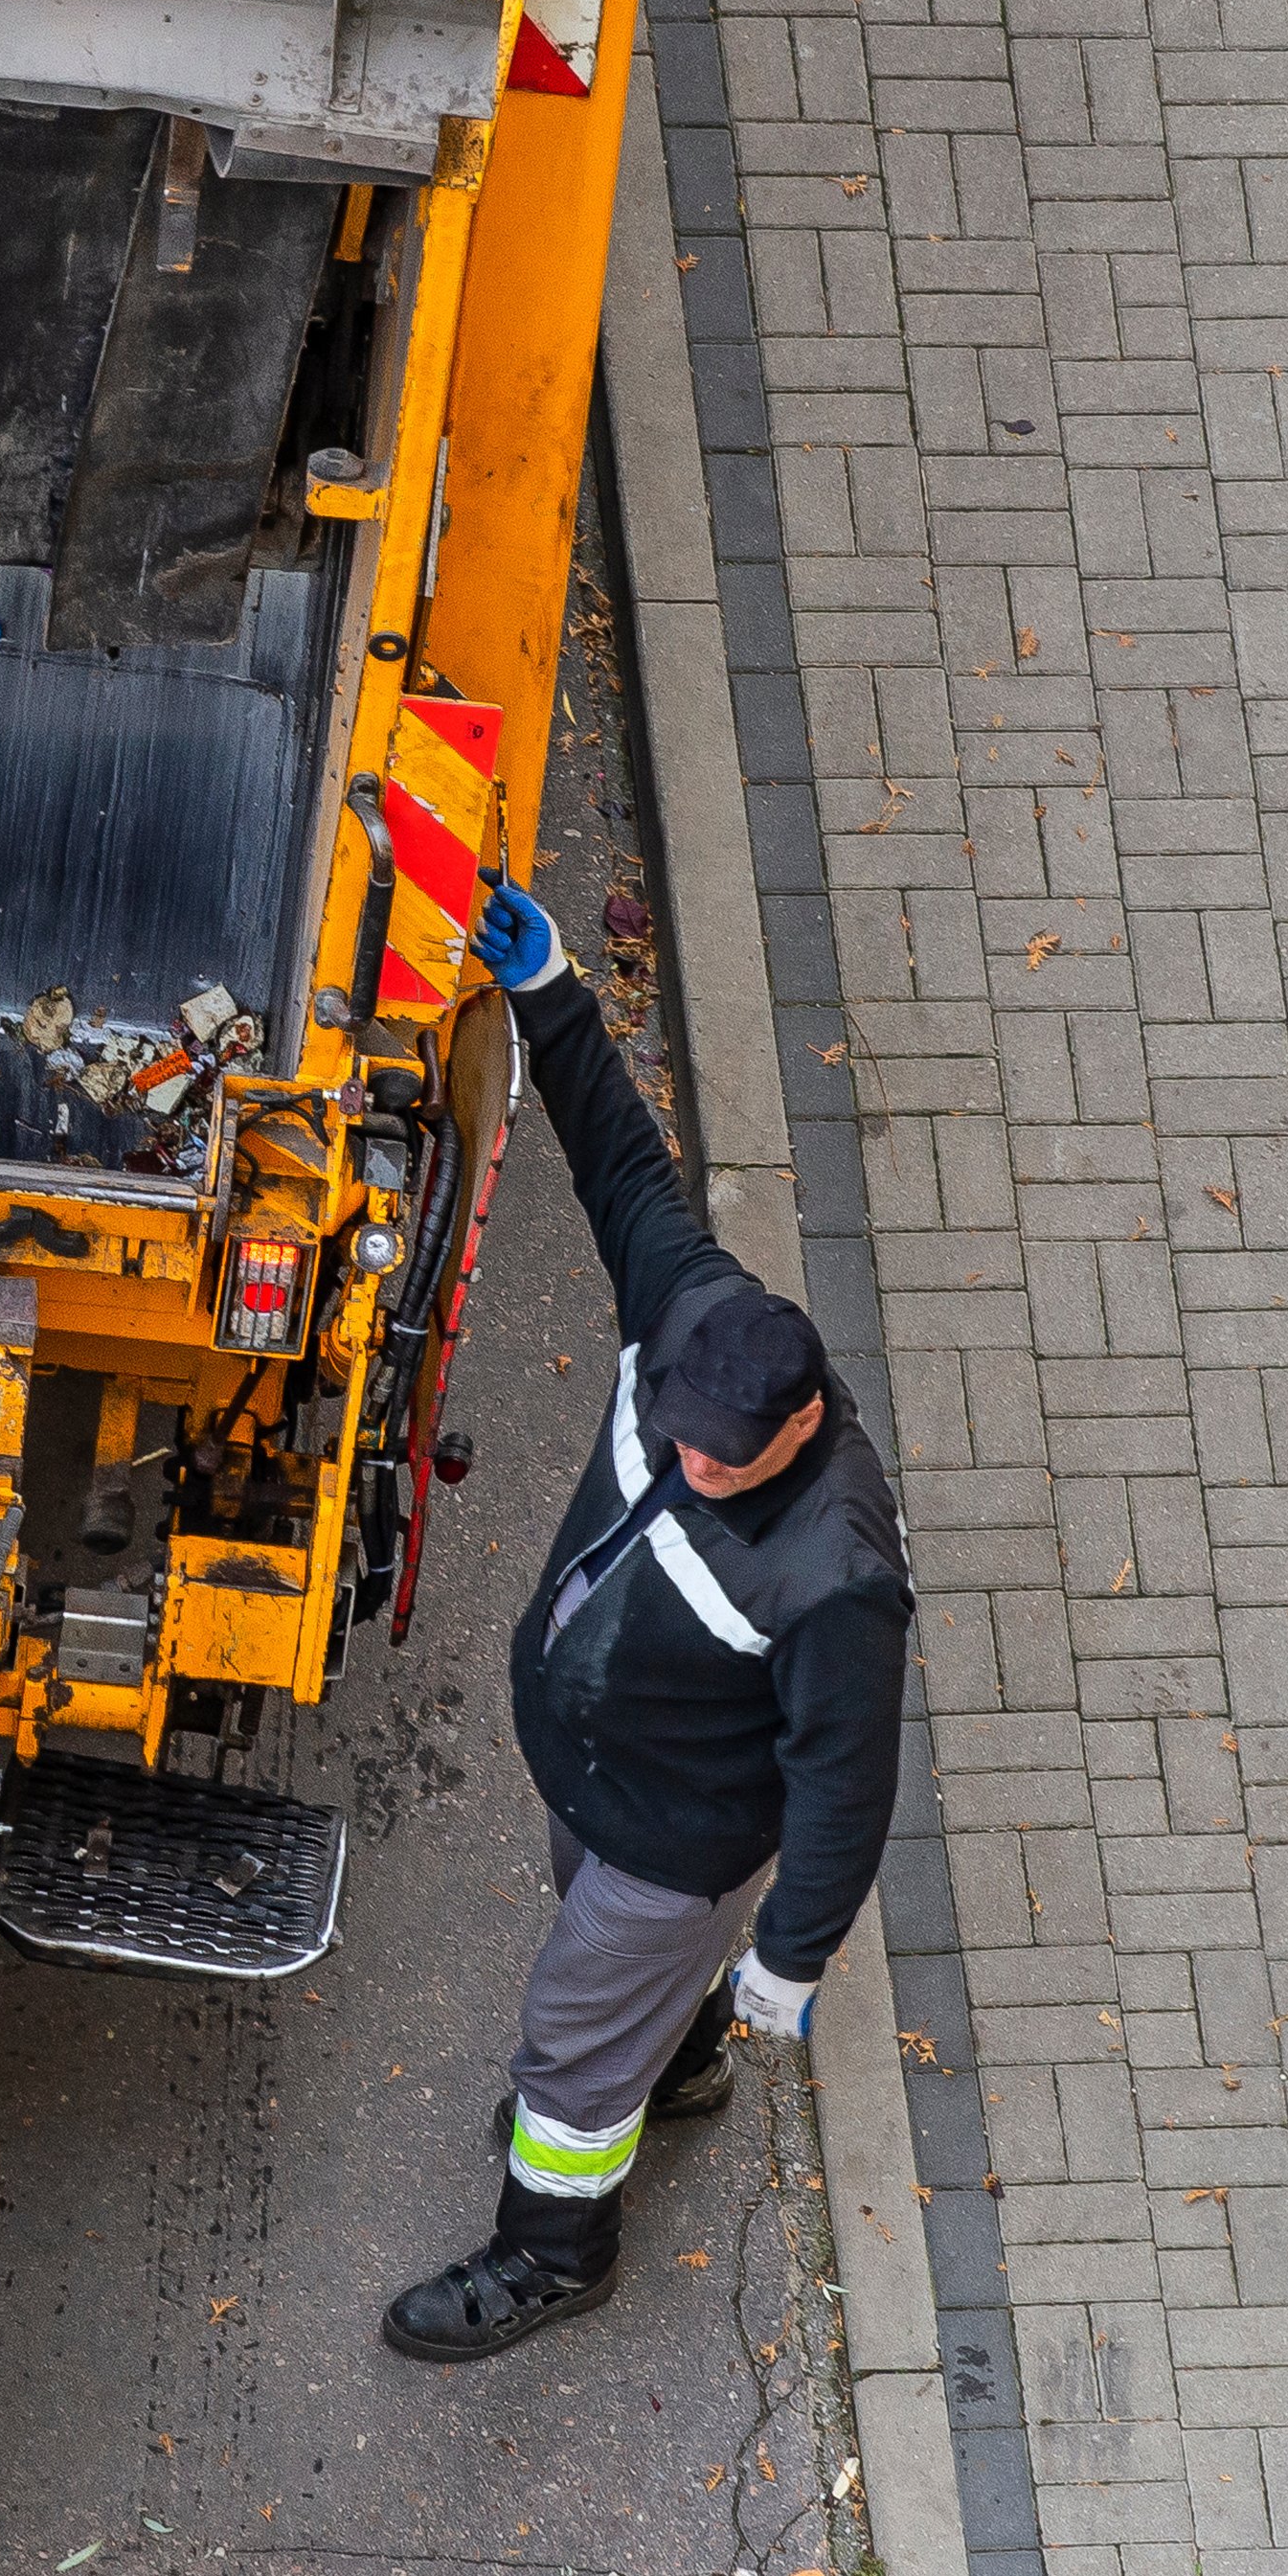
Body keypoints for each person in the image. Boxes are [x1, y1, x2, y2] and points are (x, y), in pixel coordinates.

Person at [381, 874, 915, 2363]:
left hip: (675, 1837)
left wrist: (789, 1957)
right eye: (676, 1432)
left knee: (565, 2048)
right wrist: (551, 986)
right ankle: (672, 2062)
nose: (687, 1461)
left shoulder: (835, 1573)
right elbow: (625, 1165)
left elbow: (848, 1783)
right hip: (604, 1777)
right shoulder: (696, 1317)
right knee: (605, 1977)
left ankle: (554, 2245)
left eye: (718, 1457)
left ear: (798, 1424)